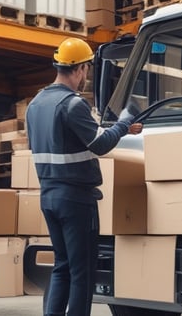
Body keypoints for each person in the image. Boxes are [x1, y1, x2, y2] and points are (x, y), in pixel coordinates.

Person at [25, 37, 143, 316]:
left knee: (62, 265)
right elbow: (100, 144)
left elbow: (74, 139)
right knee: (82, 272)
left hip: (49, 196)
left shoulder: (36, 104)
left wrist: (114, 128)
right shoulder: (72, 104)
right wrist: (125, 124)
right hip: (75, 199)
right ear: (80, 69)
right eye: (87, 69)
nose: (86, 75)